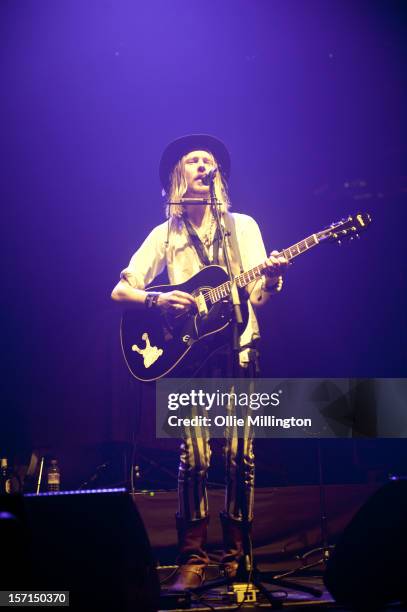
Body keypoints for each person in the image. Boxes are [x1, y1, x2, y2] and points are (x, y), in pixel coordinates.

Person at [111, 134, 287, 590]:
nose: (204, 165)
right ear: (179, 175)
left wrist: (273, 277)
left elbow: (257, 297)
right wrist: (156, 300)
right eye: (194, 160)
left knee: (240, 456)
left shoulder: (241, 227)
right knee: (195, 456)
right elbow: (120, 290)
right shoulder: (163, 234)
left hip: (239, 349)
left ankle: (237, 557)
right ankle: (193, 558)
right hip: (188, 357)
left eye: (209, 161)